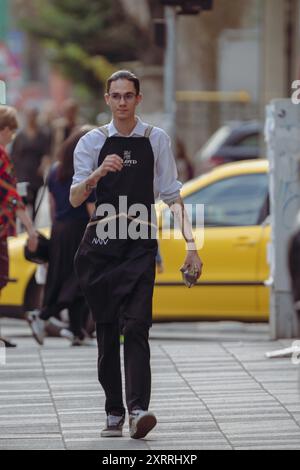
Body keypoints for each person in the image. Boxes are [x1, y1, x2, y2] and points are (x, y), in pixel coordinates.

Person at [70, 70, 203, 440]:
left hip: (140, 246)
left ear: (139, 100)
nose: (123, 102)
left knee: (137, 326)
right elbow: (75, 197)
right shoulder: (91, 142)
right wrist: (97, 173)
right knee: (108, 330)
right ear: (107, 99)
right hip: (100, 248)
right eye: (117, 96)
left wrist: (192, 246)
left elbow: (172, 195)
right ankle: (113, 409)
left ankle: (138, 410)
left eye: (129, 96)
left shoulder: (155, 139)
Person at [27, 127, 96, 347]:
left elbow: (51, 204)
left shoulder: (55, 170)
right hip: (80, 230)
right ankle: (43, 315)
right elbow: (91, 208)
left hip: (59, 229)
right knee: (80, 279)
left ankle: (76, 331)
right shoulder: (85, 172)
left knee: (65, 278)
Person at [0, 105, 38, 347]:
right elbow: (11, 196)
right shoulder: (1, 155)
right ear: (4, 129)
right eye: (11, 132)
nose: (12, 137)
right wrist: (31, 229)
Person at [10, 107, 51, 220]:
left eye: (33, 116)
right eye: (29, 116)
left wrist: (44, 165)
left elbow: (46, 153)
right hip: (22, 172)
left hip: (35, 172)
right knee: (23, 199)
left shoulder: (43, 135)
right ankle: (24, 223)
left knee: (34, 200)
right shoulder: (20, 136)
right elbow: (13, 155)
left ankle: (32, 222)